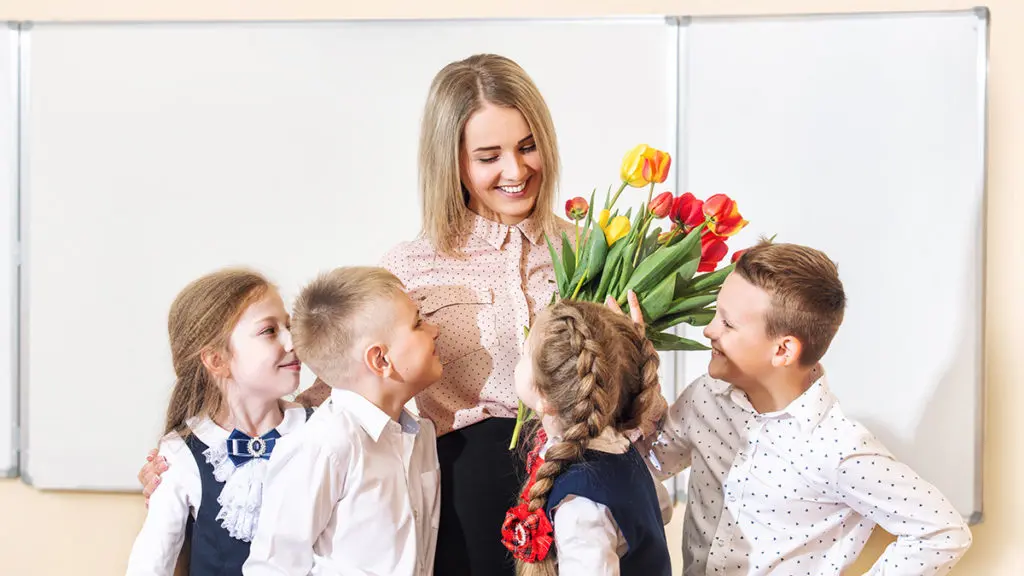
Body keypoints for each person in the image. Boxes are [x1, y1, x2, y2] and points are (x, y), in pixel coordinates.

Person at [139, 53, 662, 575]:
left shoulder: (592, 251)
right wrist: (198, 460)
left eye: (528, 147)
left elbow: (635, 404)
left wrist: (632, 363)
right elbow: (333, 397)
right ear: (451, 161)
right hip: (455, 509)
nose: (516, 169)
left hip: (573, 494)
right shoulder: (408, 268)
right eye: (489, 156)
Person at [644, 240, 973, 575]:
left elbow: (942, 532)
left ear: (784, 350)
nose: (709, 330)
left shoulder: (838, 447)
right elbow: (648, 464)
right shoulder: (706, 396)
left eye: (728, 324)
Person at [243, 267, 442, 575]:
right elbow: (272, 567)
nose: (435, 329)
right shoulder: (324, 445)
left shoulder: (421, 434)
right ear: (380, 360)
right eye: (418, 323)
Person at [125, 269, 309, 575]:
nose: (292, 342)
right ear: (216, 360)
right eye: (269, 331)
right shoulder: (181, 452)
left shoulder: (320, 430)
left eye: (288, 326)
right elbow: (151, 564)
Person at [504, 299, 672, 576]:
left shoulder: (580, 505)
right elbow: (661, 510)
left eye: (524, 352)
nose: (519, 360)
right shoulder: (621, 450)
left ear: (545, 398)